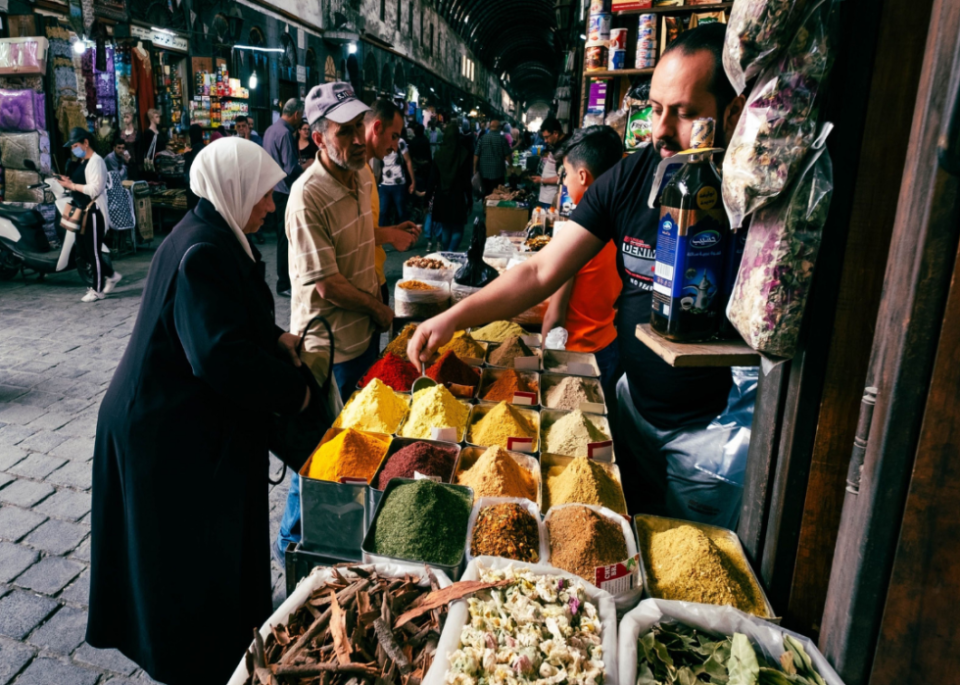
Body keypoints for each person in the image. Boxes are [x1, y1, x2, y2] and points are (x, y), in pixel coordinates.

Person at [408, 24, 746, 516]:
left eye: (686, 114)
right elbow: (541, 270)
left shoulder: (750, 201)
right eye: (655, 109)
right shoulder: (637, 173)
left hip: (707, 435)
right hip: (633, 407)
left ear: (732, 114)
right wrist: (454, 316)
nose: (660, 131)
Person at [86, 137, 310, 685]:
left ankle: (215, 650)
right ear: (233, 190)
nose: (268, 206)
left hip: (177, 419)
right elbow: (221, 356)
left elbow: (225, 323)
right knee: (180, 560)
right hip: (159, 432)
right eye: (261, 195)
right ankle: (195, 663)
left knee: (198, 552)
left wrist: (276, 338)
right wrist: (295, 391)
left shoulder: (210, 234)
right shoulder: (204, 249)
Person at [277, 82, 394, 559]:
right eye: (345, 133)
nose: (360, 140)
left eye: (358, 128)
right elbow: (328, 284)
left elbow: (363, 235)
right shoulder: (307, 197)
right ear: (318, 136)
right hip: (328, 347)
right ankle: (294, 544)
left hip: (363, 336)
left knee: (358, 443)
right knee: (321, 449)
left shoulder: (362, 173)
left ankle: (346, 528)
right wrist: (379, 307)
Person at [541, 125, 624, 395]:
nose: (563, 182)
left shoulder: (577, 239)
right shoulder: (621, 226)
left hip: (576, 355)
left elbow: (555, 315)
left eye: (565, 175)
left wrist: (544, 350)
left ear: (583, 176)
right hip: (610, 346)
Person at [362, 99, 421, 303]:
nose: (396, 147)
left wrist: (395, 230)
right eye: (394, 137)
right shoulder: (355, 173)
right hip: (364, 284)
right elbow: (349, 236)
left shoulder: (366, 169)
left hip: (374, 278)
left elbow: (363, 228)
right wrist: (391, 235)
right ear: (377, 127)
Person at [58, 127, 121, 303]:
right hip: (81, 211)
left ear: (86, 143)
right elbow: (81, 183)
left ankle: (97, 290)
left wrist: (72, 186)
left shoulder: (96, 161)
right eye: (71, 147)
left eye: (76, 145)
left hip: (93, 212)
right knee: (82, 251)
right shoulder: (82, 162)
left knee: (93, 252)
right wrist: (68, 182)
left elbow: (94, 189)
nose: (74, 149)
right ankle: (112, 275)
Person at [263, 98, 306, 297]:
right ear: (296, 114)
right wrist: (308, 168)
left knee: (283, 237)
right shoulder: (285, 133)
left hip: (274, 189)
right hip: (285, 191)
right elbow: (290, 168)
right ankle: (285, 283)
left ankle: (285, 281)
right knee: (287, 238)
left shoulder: (270, 130)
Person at [426, 120, 473, 251]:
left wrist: (427, 199)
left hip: (442, 197)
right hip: (457, 197)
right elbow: (466, 181)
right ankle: (451, 253)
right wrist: (469, 199)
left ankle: (446, 254)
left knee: (446, 228)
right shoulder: (464, 154)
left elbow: (432, 180)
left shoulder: (439, 154)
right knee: (458, 229)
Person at [378, 131, 415, 225]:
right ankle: (381, 236)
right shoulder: (380, 141)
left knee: (401, 212)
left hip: (398, 184)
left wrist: (413, 181)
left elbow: (408, 161)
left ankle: (404, 234)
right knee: (382, 212)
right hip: (384, 184)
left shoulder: (400, 142)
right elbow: (379, 164)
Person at [531, 116, 567, 209]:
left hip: (552, 198)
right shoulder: (557, 146)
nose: (545, 141)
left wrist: (542, 180)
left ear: (555, 133)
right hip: (547, 197)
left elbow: (563, 177)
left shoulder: (564, 148)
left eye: (547, 137)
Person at [474, 119, 512, 196]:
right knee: (497, 194)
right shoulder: (502, 139)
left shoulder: (482, 138)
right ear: (499, 128)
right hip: (498, 173)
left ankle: (485, 207)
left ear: (490, 127)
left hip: (484, 172)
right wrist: (511, 167)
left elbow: (476, 155)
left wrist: (474, 169)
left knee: (486, 194)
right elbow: (508, 156)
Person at [183, 124, 205, 211]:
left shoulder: (195, 148)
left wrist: (186, 154)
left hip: (194, 186)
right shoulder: (203, 147)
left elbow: (192, 165)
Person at [138, 108, 165, 177]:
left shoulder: (160, 131)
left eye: (158, 117)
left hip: (162, 160)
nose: (159, 119)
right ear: (151, 118)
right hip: (153, 162)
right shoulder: (148, 132)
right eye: (156, 117)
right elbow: (145, 148)